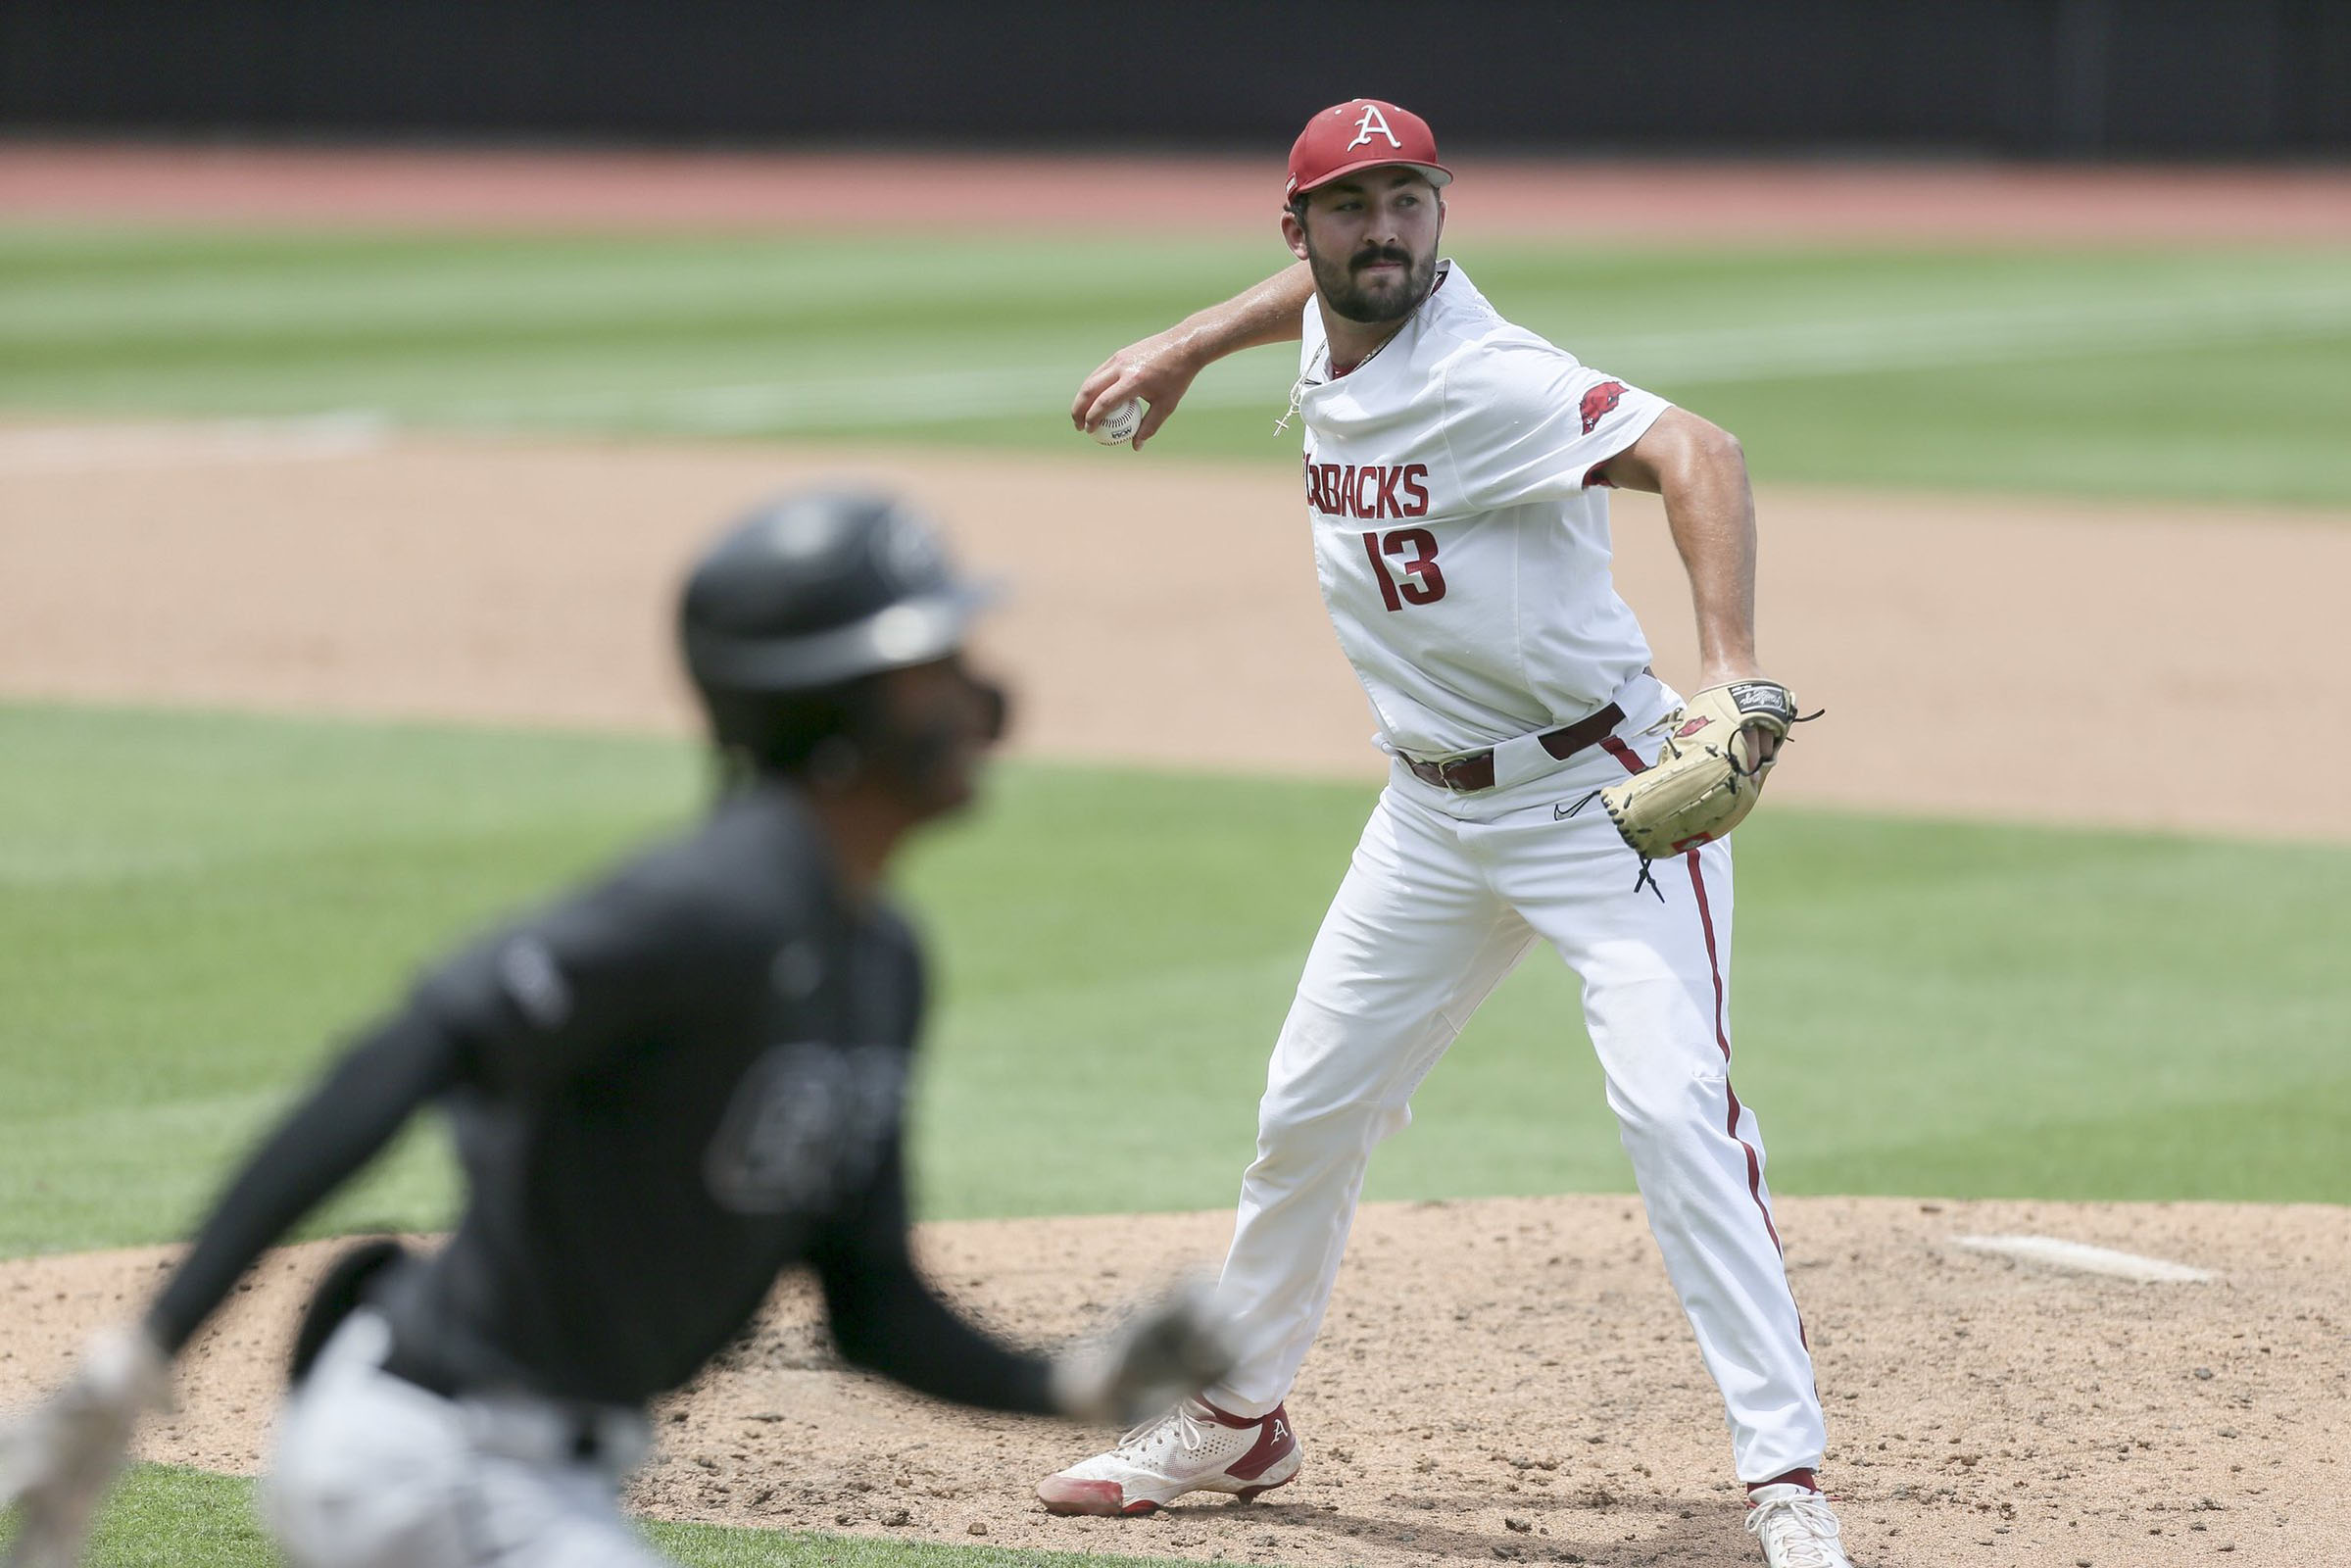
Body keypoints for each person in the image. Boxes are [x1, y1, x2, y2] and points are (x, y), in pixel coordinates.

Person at [0, 489, 1232, 1568]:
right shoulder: (706, 906)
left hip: (540, 1478)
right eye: (933, 661)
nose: (977, 693)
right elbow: (407, 1049)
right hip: (425, 1453)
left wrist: (1068, 1381)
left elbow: (870, 1302)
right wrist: (138, 1361)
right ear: (832, 705)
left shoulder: (879, 963)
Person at [1037, 100, 1853, 1568]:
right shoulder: (1334, 314)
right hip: (1424, 812)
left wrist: (1724, 669)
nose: (1385, 230)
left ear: (1440, 213)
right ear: (1301, 229)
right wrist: (1179, 343)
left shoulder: (1487, 377)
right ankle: (1235, 1417)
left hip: (1600, 806)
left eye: (1410, 199)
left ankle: (1781, 1482)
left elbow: (1700, 451)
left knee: (1673, 1112)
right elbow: (1305, 300)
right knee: (1306, 1108)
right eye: (1351, 206)